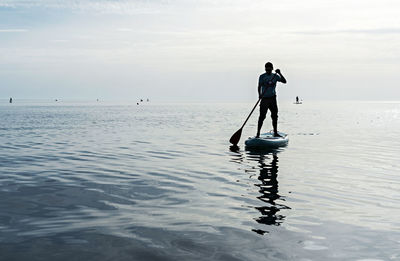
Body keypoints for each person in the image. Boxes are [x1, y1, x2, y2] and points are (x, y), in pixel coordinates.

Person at [257, 62, 287, 138]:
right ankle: (258, 133)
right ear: (265, 69)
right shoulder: (262, 77)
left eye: (269, 69)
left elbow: (284, 81)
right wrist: (259, 95)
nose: (268, 71)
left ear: (272, 69)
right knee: (262, 116)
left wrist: (280, 73)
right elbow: (259, 86)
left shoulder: (275, 76)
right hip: (264, 99)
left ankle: (275, 132)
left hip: (273, 98)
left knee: (274, 116)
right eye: (267, 69)